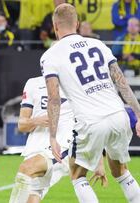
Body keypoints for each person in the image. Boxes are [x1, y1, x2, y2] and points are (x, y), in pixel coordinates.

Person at [42, 3, 140, 202]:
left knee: (77, 176)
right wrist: (139, 114)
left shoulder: (50, 55)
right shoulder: (98, 45)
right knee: (121, 172)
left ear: (55, 26)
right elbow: (121, 81)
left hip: (90, 121)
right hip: (118, 116)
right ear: (77, 24)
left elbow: (54, 99)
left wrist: (52, 136)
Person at [9, 76, 106, 203]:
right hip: (34, 148)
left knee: (26, 169)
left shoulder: (76, 84)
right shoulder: (33, 83)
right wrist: (36, 120)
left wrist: (99, 161)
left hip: (62, 146)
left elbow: (91, 122)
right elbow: (22, 125)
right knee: (32, 196)